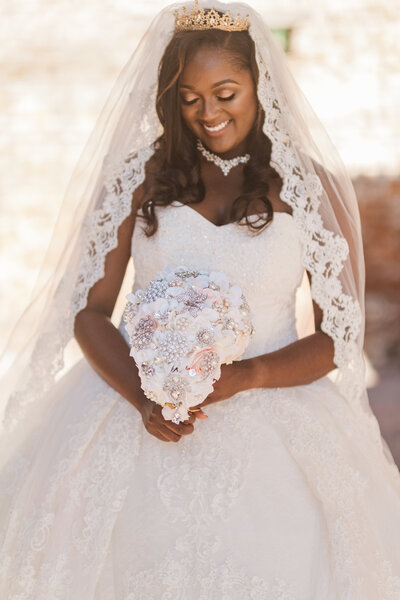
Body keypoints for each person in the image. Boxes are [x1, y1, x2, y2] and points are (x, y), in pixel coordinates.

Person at [1, 1, 400, 598]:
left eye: (226, 92)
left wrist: (248, 373)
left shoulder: (308, 189)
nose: (208, 113)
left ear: (260, 86)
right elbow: (89, 312)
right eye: (190, 98)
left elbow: (335, 337)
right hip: (134, 406)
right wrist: (142, 397)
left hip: (275, 408)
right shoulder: (138, 178)